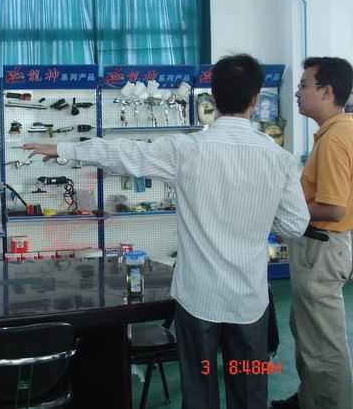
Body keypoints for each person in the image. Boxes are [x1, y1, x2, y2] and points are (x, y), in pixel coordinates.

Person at [25, 54, 310, 409]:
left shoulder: (186, 149)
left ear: (213, 97)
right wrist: (261, 217)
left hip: (197, 297)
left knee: (200, 383)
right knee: (250, 387)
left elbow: (126, 153)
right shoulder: (280, 159)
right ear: (255, 99)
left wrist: (64, 148)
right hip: (249, 301)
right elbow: (296, 224)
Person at [271, 57, 353, 409]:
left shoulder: (334, 140)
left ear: (327, 91)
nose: (297, 93)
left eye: (304, 85)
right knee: (307, 331)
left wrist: (284, 213)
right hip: (321, 248)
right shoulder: (339, 131)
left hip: (321, 249)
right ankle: (309, 398)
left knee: (324, 344)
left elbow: (333, 208)